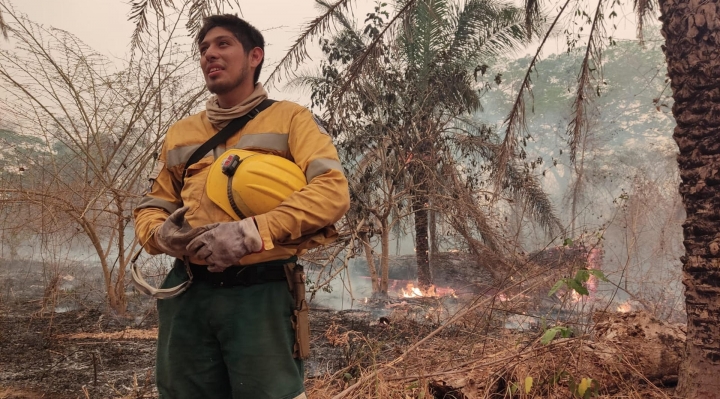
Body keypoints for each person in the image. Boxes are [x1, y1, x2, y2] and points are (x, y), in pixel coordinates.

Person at [133, 14, 350, 399]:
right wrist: (162, 236)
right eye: (203, 49)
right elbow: (153, 206)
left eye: (222, 44)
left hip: (260, 292)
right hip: (187, 294)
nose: (209, 55)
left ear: (254, 56)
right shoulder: (181, 133)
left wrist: (251, 232)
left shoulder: (291, 119)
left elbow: (332, 191)